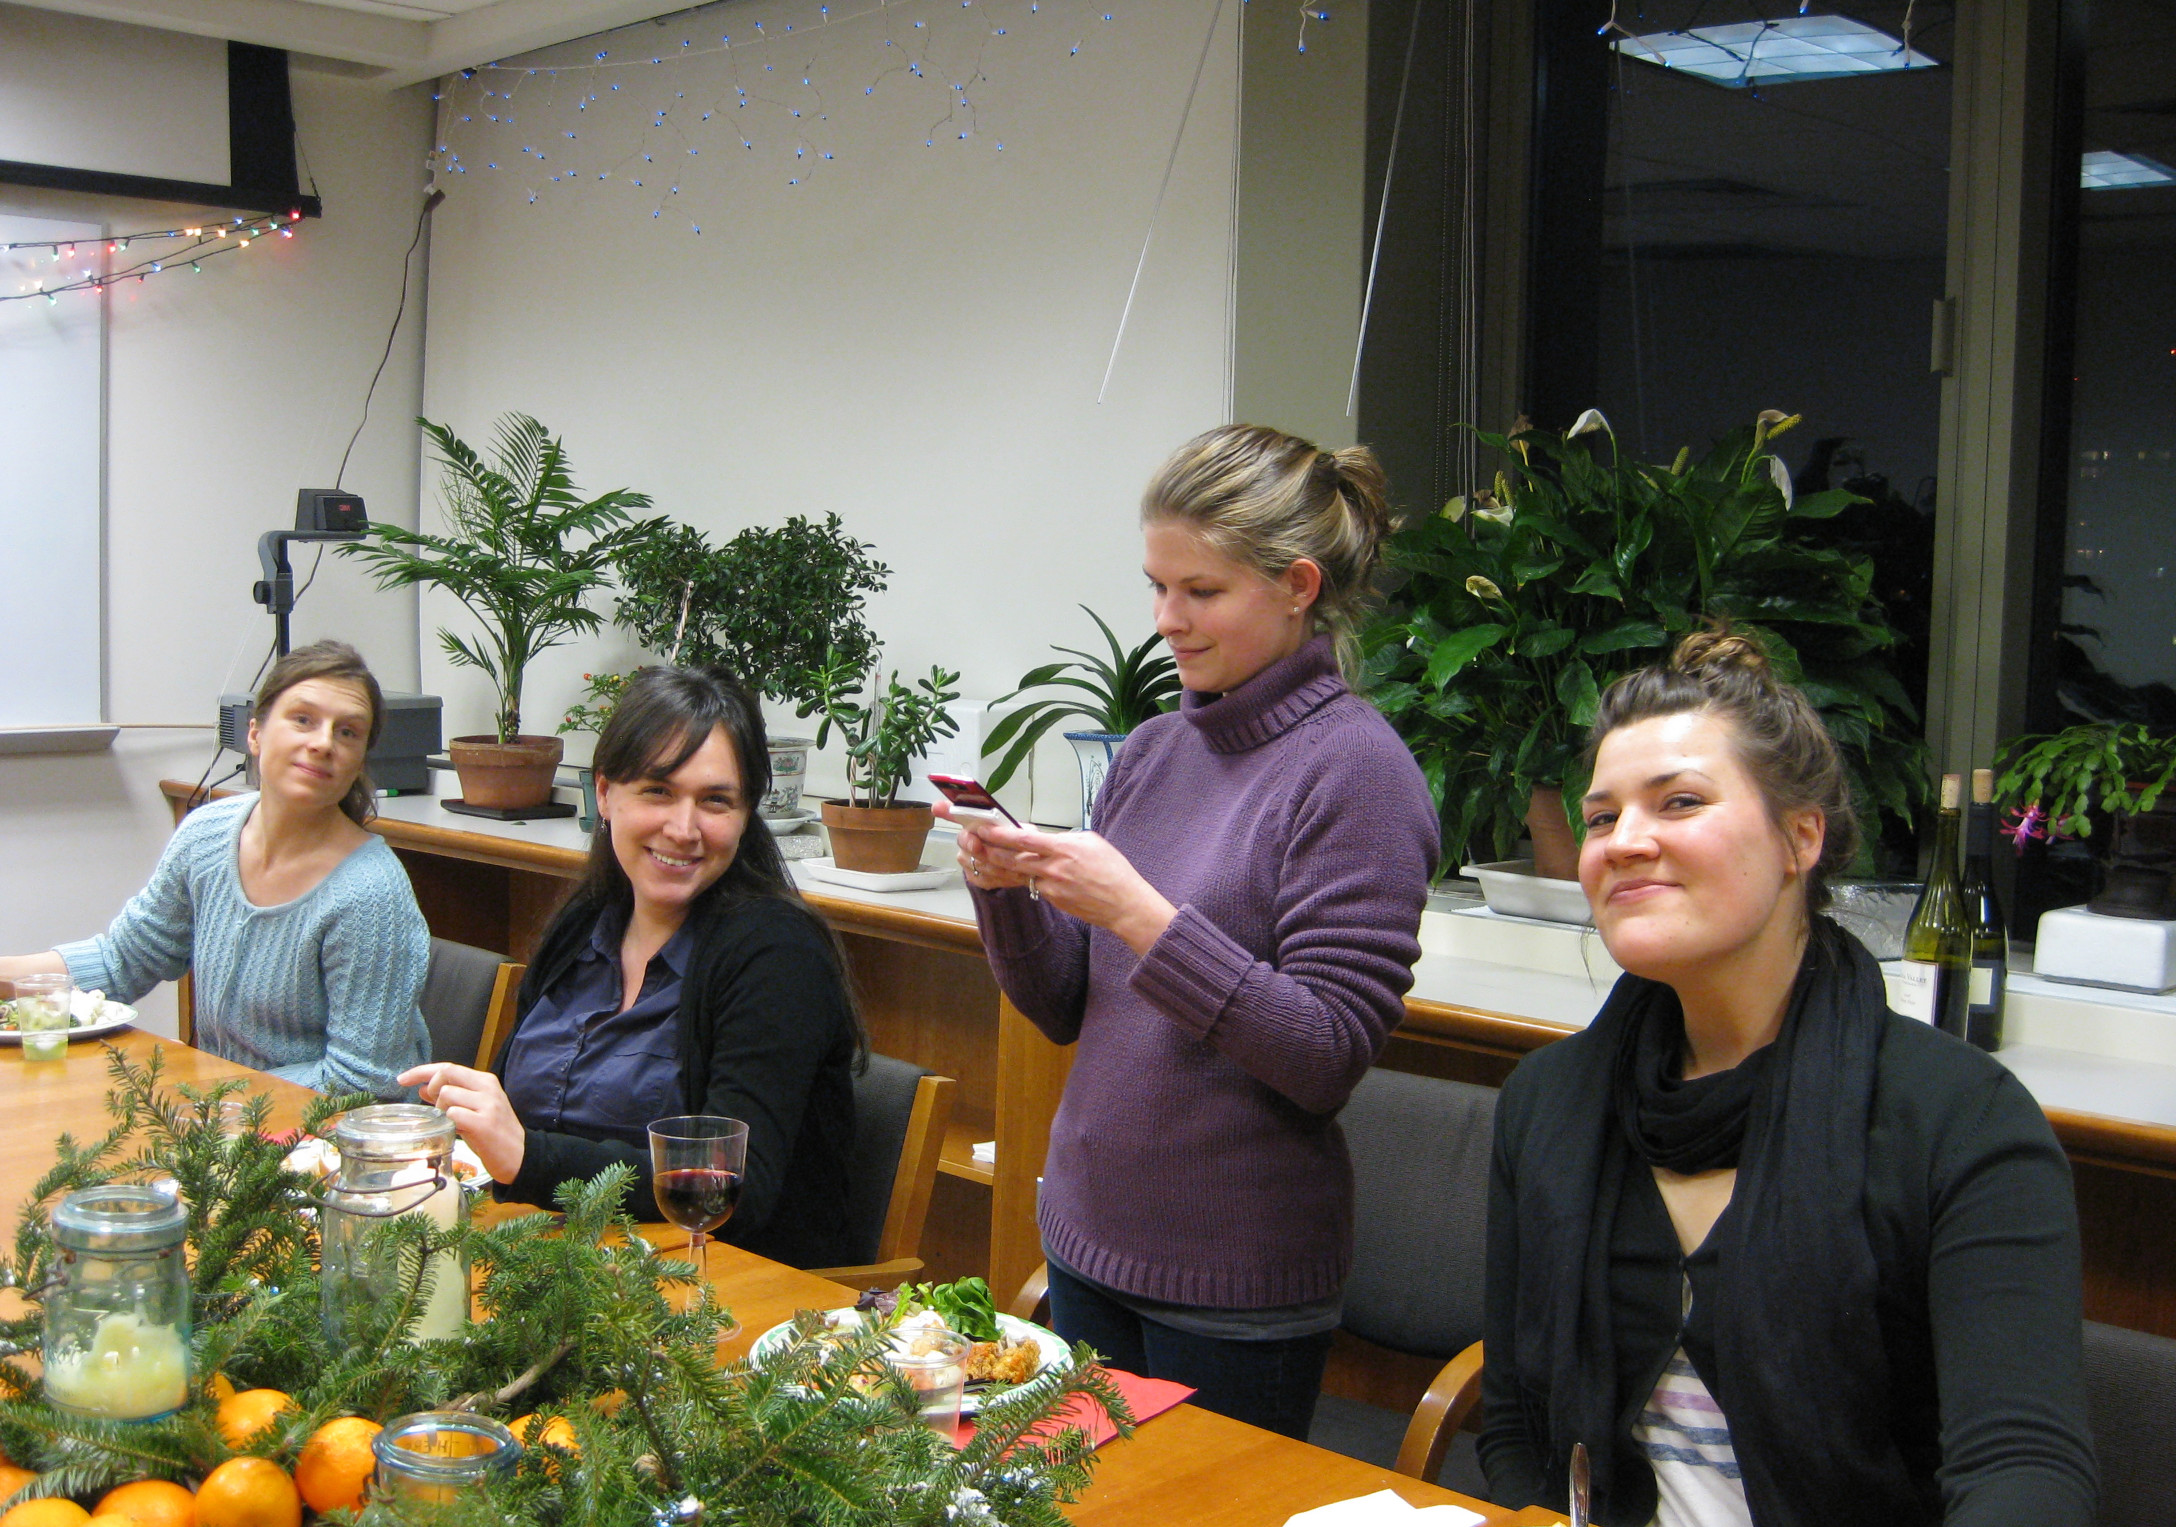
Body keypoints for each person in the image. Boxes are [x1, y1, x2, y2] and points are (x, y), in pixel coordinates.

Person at [1478, 630, 2095, 1527]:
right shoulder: (1549, 1103)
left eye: (1679, 802)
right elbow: (1514, 1422)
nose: (1623, 839)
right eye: (1601, 816)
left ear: (1800, 839)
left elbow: (2028, 1472)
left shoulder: (1958, 1119)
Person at [940, 424, 1440, 1438]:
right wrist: (1005, 889)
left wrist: (1137, 910)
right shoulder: (1154, 750)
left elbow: (1324, 1056)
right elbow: (1065, 1008)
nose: (1167, 620)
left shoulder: (1357, 772)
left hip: (1233, 1287)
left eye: (1200, 591)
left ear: (1297, 586)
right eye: (1157, 587)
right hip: (1087, 1240)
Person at [403, 665, 861, 1268]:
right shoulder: (584, 924)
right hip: (549, 1259)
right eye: (658, 791)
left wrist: (529, 1157)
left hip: (714, 1289)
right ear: (604, 794)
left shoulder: (777, 956)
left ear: (747, 813)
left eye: (715, 801)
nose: (684, 829)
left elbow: (735, 1190)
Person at [0, 641, 429, 1095]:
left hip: (328, 1128)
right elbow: (123, 961)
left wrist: (208, 1095)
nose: (323, 743)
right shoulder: (207, 834)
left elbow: (361, 1082)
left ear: (359, 760)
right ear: (255, 734)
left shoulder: (370, 893)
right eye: (303, 719)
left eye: (347, 732)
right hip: (225, 1112)